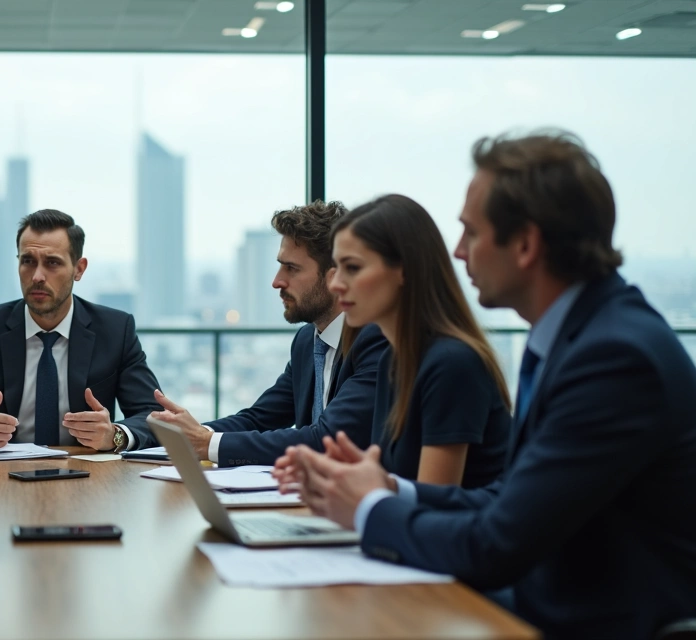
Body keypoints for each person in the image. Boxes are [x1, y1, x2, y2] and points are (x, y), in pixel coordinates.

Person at [275, 132, 696, 638]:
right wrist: (387, 488)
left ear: (525, 245)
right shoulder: (576, 335)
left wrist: (370, 509)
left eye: (471, 233)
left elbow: (498, 544)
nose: (456, 251)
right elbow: (508, 498)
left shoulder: (613, 357)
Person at [149, 202, 388, 467]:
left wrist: (207, 443)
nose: (277, 281)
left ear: (333, 276)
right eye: (279, 266)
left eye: (292, 268)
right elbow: (259, 419)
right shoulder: (308, 341)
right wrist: (185, 432)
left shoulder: (375, 339)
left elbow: (326, 439)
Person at [0, 209, 163, 452]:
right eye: (28, 261)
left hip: (88, 478)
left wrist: (114, 435)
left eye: (52, 263)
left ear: (79, 269)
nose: (37, 276)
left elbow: (157, 419)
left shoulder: (115, 330)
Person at [328, 194, 509, 487]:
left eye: (353, 267)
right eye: (337, 267)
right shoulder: (394, 359)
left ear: (404, 270)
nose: (335, 284)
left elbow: (431, 502)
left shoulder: (452, 363)